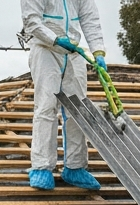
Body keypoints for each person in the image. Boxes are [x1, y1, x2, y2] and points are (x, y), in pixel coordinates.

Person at [22, 0, 106, 191]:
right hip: (46, 49)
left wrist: (98, 51)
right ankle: (42, 167)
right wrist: (54, 39)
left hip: (74, 51)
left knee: (78, 109)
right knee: (46, 106)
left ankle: (75, 166)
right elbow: (32, 20)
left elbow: (90, 18)